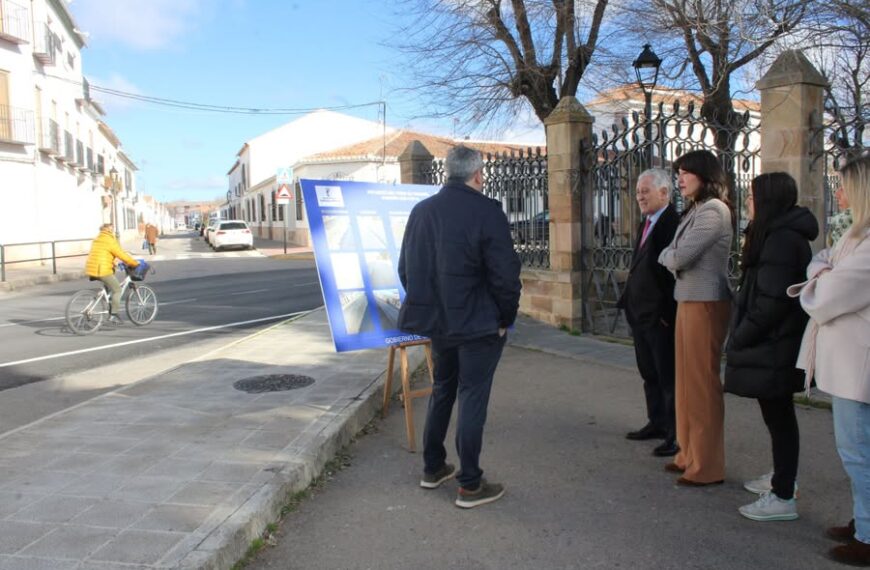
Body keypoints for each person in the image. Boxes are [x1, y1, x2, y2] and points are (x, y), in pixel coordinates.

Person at [398, 145, 522, 509]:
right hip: (478, 325)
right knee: (471, 397)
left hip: (440, 324)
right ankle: (470, 483)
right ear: (478, 174)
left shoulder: (421, 212)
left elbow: (407, 270)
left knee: (443, 390)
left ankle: (433, 467)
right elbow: (505, 275)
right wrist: (505, 318)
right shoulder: (487, 211)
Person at [789, 154, 870, 565]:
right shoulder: (855, 236)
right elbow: (819, 262)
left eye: (844, 185)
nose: (837, 192)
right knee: (856, 448)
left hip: (860, 364)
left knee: (859, 450)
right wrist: (824, 271)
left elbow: (826, 295)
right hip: (849, 360)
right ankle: (864, 520)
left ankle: (869, 535)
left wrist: (823, 275)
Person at [724, 172, 817, 521]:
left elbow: (772, 302)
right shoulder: (775, 234)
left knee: (779, 416)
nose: (749, 200)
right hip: (773, 342)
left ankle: (783, 493)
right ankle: (782, 478)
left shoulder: (782, 240)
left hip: (774, 343)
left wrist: (741, 337)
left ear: (768, 200)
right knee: (777, 415)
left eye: (753, 195)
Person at [658, 149, 733, 486]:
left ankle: (707, 466)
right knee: (686, 384)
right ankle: (687, 454)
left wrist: (669, 256)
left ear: (705, 174)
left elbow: (680, 256)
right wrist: (670, 255)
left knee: (702, 386)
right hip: (687, 300)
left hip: (706, 303)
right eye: (678, 173)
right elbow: (674, 253)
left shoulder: (714, 211)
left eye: (686, 173)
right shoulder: (696, 210)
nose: (680, 179)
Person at [617, 168, 680, 457]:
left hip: (659, 317)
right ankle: (656, 422)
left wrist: (666, 315)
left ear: (664, 193)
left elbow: (671, 274)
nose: (640, 196)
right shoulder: (648, 222)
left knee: (667, 376)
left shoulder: (670, 223)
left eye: (645, 191)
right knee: (649, 373)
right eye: (638, 191)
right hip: (640, 314)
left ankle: (674, 433)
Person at [85, 223, 140, 324]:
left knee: (108, 291)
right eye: (112, 229)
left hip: (92, 268)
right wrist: (134, 263)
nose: (113, 230)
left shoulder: (97, 239)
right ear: (109, 230)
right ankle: (113, 314)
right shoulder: (110, 240)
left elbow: (103, 254)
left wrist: (114, 262)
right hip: (102, 270)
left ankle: (110, 309)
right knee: (117, 290)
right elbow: (121, 254)